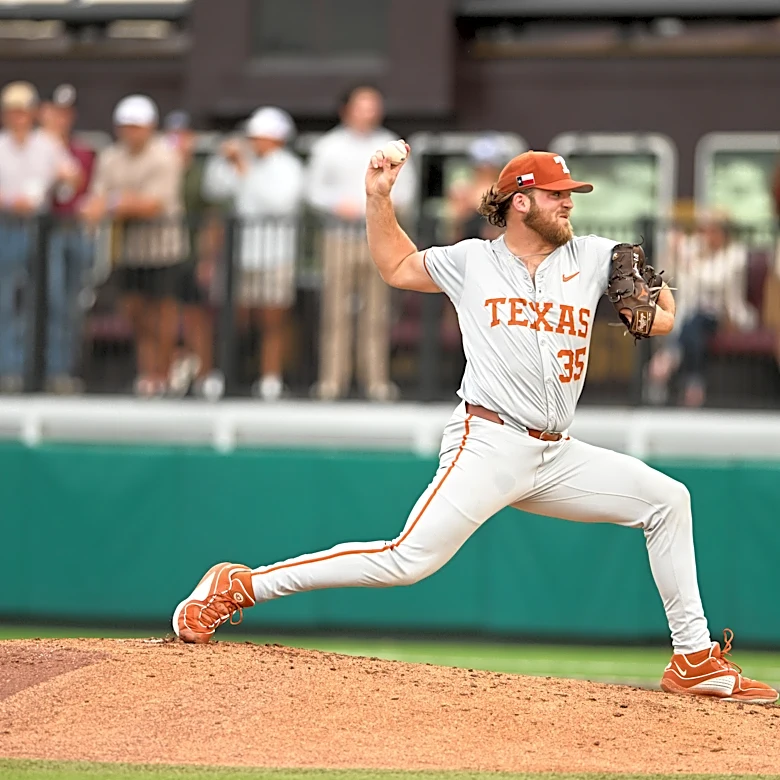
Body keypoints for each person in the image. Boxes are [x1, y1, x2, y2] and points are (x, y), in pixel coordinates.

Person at [172, 148, 777, 705]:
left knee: (668, 500)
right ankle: (241, 585)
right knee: (406, 560)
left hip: (556, 454)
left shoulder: (595, 256)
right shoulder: (473, 262)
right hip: (489, 442)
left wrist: (653, 300)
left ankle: (692, 658)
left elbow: (658, 321)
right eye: (557, 194)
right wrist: (378, 198)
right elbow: (396, 265)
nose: (568, 204)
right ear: (521, 201)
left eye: (570, 195)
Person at [306, 84, 416, 401]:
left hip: (378, 237)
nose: (369, 111)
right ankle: (332, 381)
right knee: (335, 309)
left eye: (373, 105)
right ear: (346, 109)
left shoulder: (392, 144)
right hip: (338, 236)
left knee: (378, 311)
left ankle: (376, 381)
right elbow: (313, 190)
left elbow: (406, 191)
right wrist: (337, 205)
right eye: (362, 105)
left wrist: (380, 206)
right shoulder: (328, 146)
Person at [80, 94, 186, 397]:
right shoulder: (111, 157)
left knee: (163, 315)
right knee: (135, 313)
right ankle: (148, 373)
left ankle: (164, 373)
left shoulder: (165, 157)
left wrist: (114, 203)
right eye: (125, 126)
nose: (130, 133)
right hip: (128, 251)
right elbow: (97, 197)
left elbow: (153, 204)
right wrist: (111, 204)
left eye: (136, 126)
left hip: (163, 250)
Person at [203, 107, 303, 400]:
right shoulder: (242, 161)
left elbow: (279, 204)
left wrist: (244, 171)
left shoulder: (289, 167)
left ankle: (270, 378)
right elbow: (213, 189)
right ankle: (224, 374)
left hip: (275, 255)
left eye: (259, 136)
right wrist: (224, 160)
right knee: (231, 319)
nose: (252, 142)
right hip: (238, 255)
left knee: (273, 320)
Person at [0, 81, 80, 391]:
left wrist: (64, 178)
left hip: (43, 232)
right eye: (12, 111)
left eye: (23, 111)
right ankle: (9, 370)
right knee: (6, 301)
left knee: (53, 299)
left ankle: (54, 371)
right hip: (7, 228)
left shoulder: (47, 144)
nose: (18, 117)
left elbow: (72, 178)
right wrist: (10, 201)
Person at [647, 211, 757, 407]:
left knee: (694, 321)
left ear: (723, 233)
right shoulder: (696, 249)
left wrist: (692, 263)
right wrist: (672, 250)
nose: (706, 235)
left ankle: (668, 358)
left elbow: (715, 282)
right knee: (691, 327)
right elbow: (665, 273)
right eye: (704, 230)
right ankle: (694, 384)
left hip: (724, 313)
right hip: (691, 315)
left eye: (711, 231)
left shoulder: (735, 255)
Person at [162, 110, 222, 399]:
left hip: (192, 255)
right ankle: (167, 373)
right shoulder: (163, 168)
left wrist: (208, 259)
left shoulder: (201, 172)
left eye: (183, 135)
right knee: (166, 315)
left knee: (197, 317)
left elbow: (213, 218)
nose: (178, 141)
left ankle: (203, 374)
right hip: (163, 254)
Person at [40, 84, 96, 393]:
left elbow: (83, 190)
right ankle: (38, 368)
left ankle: (63, 370)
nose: (60, 118)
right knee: (47, 301)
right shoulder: (36, 147)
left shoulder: (82, 152)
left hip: (74, 231)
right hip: (44, 234)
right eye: (54, 112)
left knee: (71, 304)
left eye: (65, 113)